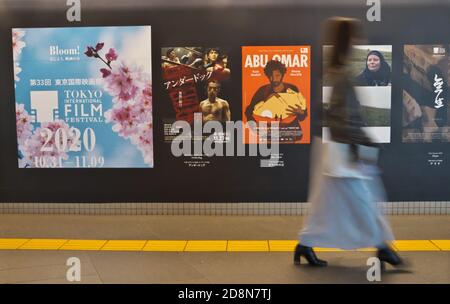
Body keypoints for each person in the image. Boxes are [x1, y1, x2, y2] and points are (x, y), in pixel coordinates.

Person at [295, 17, 403, 269]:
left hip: (335, 148)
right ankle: (382, 247)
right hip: (343, 151)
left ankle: (304, 245)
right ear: (348, 40)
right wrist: (364, 143)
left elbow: (336, 117)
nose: (360, 41)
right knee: (363, 199)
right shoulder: (342, 74)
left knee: (328, 202)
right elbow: (344, 120)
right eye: (356, 37)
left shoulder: (336, 71)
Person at [244, 59, 307, 142]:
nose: (274, 79)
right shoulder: (263, 91)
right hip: (269, 134)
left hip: (289, 132)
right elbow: (248, 112)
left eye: (277, 75)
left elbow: (303, 114)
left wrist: (301, 112)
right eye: (271, 76)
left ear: (282, 75)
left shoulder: (292, 89)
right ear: (267, 75)